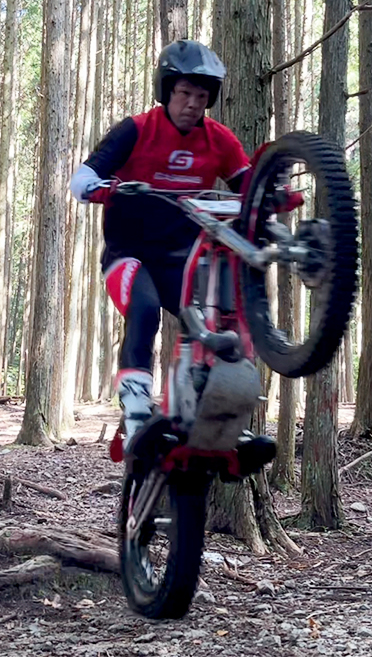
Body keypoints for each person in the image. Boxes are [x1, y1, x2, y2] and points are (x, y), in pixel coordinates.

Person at [69, 40, 252, 453]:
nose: (192, 104)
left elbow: (250, 191)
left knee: (218, 324)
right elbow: (81, 180)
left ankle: (214, 416)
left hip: (184, 263)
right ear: (167, 91)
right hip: (127, 255)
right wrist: (106, 188)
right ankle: (135, 409)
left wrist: (271, 198)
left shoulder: (219, 140)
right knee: (145, 308)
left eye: (201, 97)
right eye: (184, 93)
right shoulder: (136, 130)